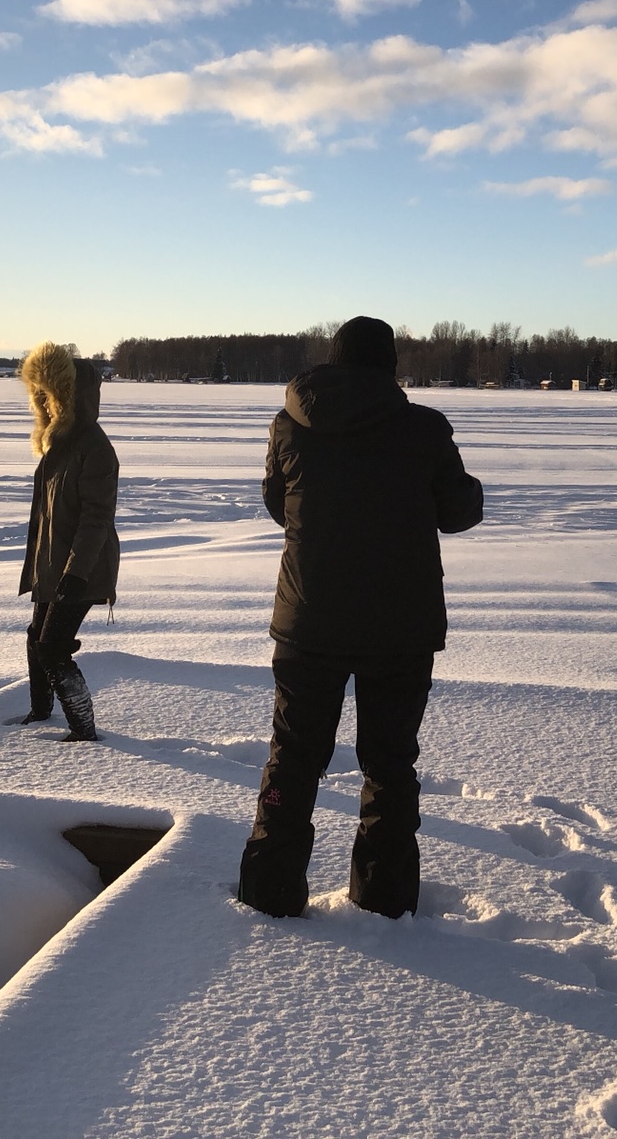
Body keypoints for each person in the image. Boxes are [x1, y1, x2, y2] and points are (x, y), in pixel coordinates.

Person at [238, 316, 484, 919]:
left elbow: (278, 503)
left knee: (293, 759)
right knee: (389, 764)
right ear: (390, 366)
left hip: (308, 621)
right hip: (399, 630)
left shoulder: (290, 422)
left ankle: (269, 894)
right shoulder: (424, 428)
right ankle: (384, 902)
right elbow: (458, 511)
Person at [9, 341, 119, 742]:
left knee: (52, 648)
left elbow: (96, 520)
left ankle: (84, 731)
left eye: (52, 395)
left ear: (70, 397)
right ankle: (40, 713)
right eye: (40, 396)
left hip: (82, 569)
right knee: (36, 638)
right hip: (54, 565)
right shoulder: (57, 445)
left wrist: (74, 574)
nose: (45, 403)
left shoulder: (94, 448)